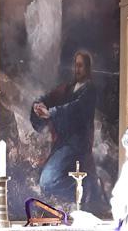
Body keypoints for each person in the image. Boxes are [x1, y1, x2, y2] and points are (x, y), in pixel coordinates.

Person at [30, 50, 98, 206]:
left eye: (81, 66)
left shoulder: (90, 90)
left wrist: (51, 112)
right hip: (63, 143)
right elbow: (51, 96)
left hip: (77, 144)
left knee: (47, 183)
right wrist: (39, 104)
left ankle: (86, 188)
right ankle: (81, 191)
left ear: (87, 68)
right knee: (42, 179)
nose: (77, 69)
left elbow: (76, 108)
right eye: (76, 65)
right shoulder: (69, 88)